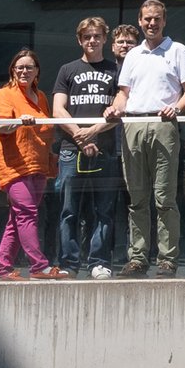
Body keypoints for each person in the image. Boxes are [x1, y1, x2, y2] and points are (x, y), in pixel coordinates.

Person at [106, 0, 185, 277]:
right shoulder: (132, 55)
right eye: (147, 19)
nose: (152, 23)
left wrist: (178, 107)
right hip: (133, 125)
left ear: (164, 20)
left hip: (163, 124)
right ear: (140, 21)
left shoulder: (178, 50)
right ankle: (138, 258)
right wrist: (114, 108)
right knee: (137, 197)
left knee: (164, 196)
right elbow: (124, 94)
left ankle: (167, 259)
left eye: (157, 18)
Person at [52, 16, 123, 279]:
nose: (91, 41)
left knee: (103, 210)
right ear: (79, 40)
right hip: (71, 150)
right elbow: (58, 109)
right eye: (86, 37)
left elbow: (118, 112)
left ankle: (99, 262)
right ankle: (69, 264)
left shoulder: (116, 71)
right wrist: (80, 137)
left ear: (105, 38)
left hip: (105, 149)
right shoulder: (67, 70)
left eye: (96, 36)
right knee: (69, 210)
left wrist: (92, 132)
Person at [0, 48, 63, 279]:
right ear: (13, 70)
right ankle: (38, 265)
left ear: (37, 71)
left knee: (17, 218)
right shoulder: (4, 94)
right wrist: (18, 123)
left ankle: (3, 268)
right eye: (19, 67)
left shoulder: (41, 96)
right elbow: (0, 126)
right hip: (14, 166)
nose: (24, 71)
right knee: (27, 214)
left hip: (38, 166)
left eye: (29, 67)